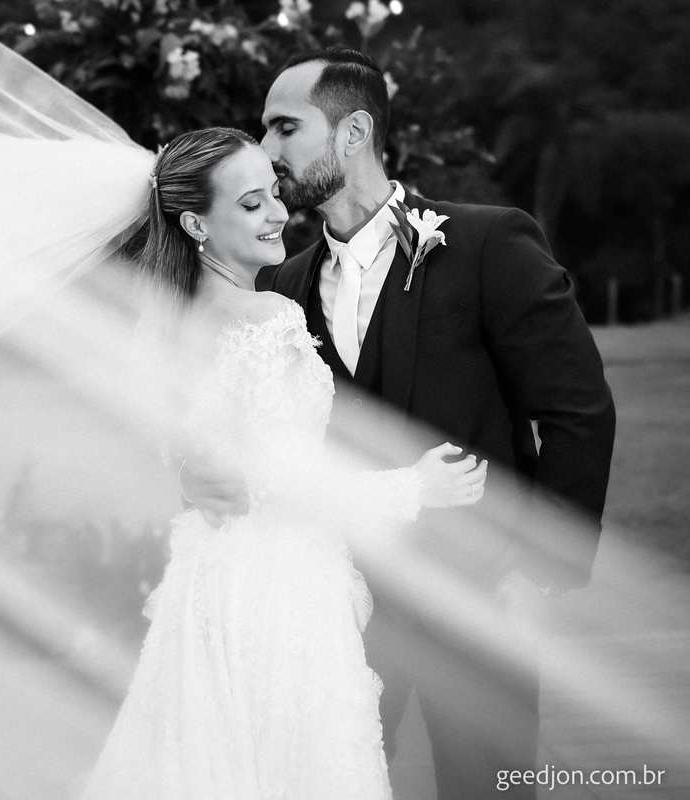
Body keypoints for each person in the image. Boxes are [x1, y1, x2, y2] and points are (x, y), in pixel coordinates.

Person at [184, 48, 616, 800]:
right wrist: (203, 473)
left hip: (480, 610)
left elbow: (578, 412)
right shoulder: (279, 285)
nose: (267, 148)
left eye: (285, 127)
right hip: (332, 614)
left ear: (353, 133)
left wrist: (538, 576)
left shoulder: (488, 244)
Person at [82, 127, 488, 800]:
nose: (278, 213)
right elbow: (286, 485)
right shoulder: (267, 318)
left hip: (209, 583)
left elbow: (191, 455)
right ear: (195, 224)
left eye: (274, 193)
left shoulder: (167, 321)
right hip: (279, 593)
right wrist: (415, 487)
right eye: (251, 204)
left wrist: (188, 477)